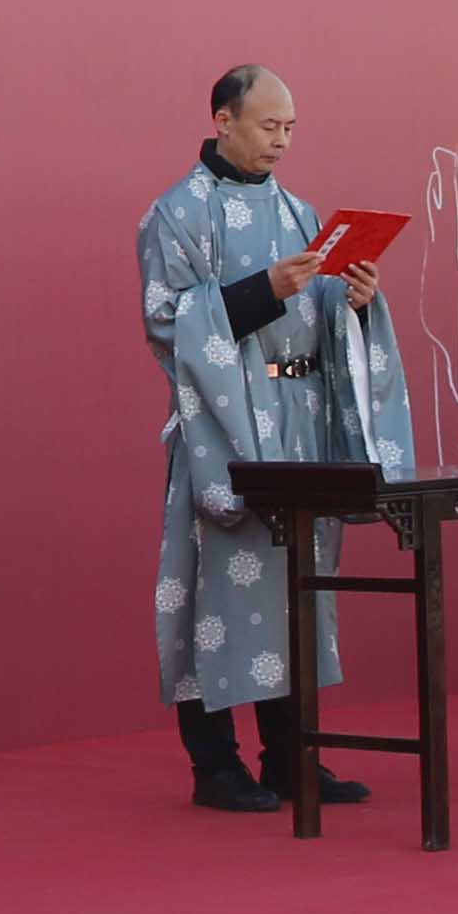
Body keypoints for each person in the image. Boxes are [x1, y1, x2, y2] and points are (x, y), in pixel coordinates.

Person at [141, 64, 410, 812]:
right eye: (268, 125)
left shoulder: (300, 213)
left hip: (298, 424)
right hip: (224, 426)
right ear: (223, 119)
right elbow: (168, 321)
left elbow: (320, 316)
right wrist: (266, 290)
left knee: (297, 592)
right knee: (213, 591)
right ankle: (215, 767)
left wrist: (355, 302)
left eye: (289, 128)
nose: (280, 141)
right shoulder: (177, 213)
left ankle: (292, 759)